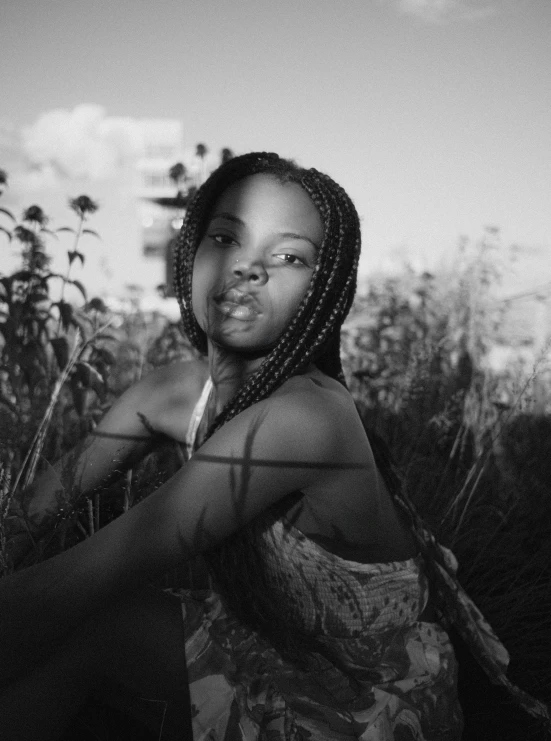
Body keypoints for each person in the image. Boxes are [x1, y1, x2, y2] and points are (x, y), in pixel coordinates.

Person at [0, 152, 467, 740]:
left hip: (359, 697)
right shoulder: (176, 391)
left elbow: (84, 579)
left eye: (290, 256)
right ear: (192, 252)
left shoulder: (309, 415)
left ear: (324, 292)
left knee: (91, 621)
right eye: (226, 238)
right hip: (262, 646)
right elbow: (25, 517)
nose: (248, 268)